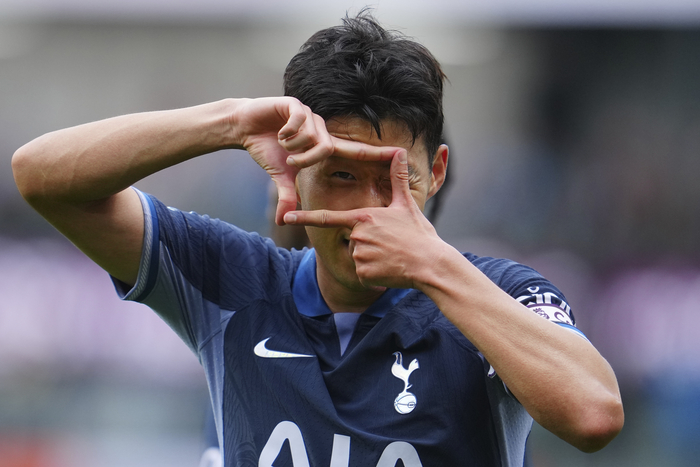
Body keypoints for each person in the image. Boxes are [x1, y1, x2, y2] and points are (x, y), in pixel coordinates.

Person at [12, 11, 623, 467]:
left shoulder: (501, 294)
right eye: (341, 176)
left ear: (437, 172)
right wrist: (228, 122)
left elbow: (594, 414)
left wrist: (434, 267)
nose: (368, 211)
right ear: (292, 170)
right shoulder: (231, 279)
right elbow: (40, 177)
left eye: (396, 179)